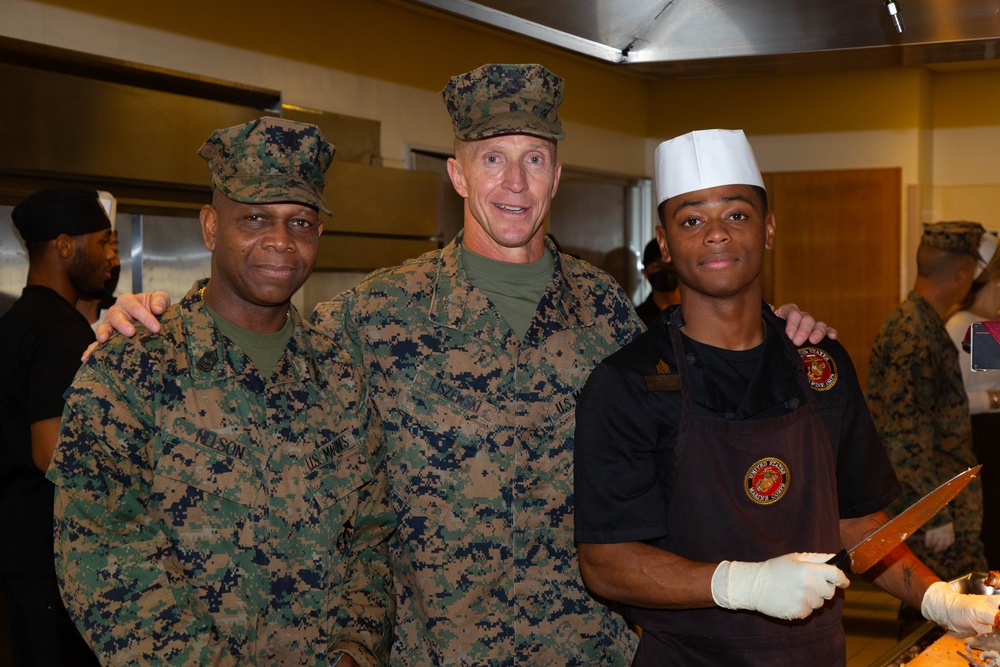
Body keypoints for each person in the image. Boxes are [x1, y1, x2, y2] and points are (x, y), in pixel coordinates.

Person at [95, 66, 835, 665]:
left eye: (533, 160)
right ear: (457, 174)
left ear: (556, 175)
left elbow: (715, 365)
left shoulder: (607, 312)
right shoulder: (371, 315)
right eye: (492, 159)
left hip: (593, 651)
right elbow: (253, 365)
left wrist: (784, 327)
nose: (514, 184)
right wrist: (140, 317)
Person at [573, 129, 1000, 666]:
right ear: (663, 242)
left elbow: (855, 523)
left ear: (769, 228)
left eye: (736, 214)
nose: (715, 235)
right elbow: (605, 562)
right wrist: (739, 585)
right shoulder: (627, 385)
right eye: (691, 220)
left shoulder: (822, 366)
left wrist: (936, 597)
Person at [47, 117, 395, 667]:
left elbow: (373, 539)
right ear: (211, 226)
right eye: (255, 218)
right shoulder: (133, 370)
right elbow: (102, 554)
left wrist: (353, 651)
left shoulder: (341, 376)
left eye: (300, 223)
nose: (281, 242)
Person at [0, 185, 114, 666]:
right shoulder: (62, 333)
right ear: (66, 246)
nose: (112, 256)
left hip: (17, 547)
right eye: (104, 242)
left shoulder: (15, 321)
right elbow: (51, 452)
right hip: (53, 559)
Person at [868, 220, 988, 586]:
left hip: (941, 504)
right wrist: (934, 518)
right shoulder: (915, 334)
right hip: (937, 513)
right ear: (962, 275)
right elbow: (904, 439)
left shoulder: (922, 324)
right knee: (943, 621)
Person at [946, 230, 1000, 567]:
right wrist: (996, 400)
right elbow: (963, 398)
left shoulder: (987, 325)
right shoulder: (965, 327)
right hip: (982, 444)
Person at [635, 238, 680, 328]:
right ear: (645, 273)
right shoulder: (636, 319)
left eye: (670, 264)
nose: (665, 270)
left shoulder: (698, 312)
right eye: (657, 266)